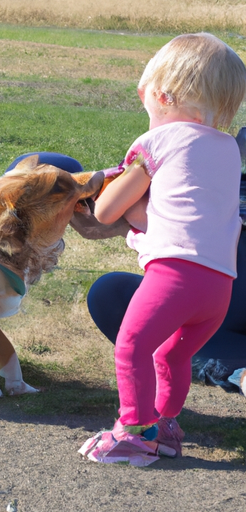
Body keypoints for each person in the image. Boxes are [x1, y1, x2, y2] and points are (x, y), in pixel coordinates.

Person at [78, 33, 246, 466]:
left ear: (164, 96)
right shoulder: (229, 149)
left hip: (175, 274)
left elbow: (106, 211)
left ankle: (134, 430)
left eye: (146, 98)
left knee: (132, 346)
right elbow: (180, 212)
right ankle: (167, 428)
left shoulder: (158, 142)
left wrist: (113, 186)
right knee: (171, 354)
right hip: (220, 284)